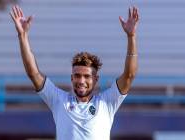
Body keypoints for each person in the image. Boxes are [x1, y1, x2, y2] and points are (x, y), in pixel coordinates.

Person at [10, 5, 139, 140]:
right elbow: (33, 73)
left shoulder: (107, 103)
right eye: (77, 75)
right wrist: (22, 36)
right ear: (71, 78)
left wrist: (131, 36)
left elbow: (129, 76)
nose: (81, 81)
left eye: (87, 76)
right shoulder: (59, 101)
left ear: (96, 79)